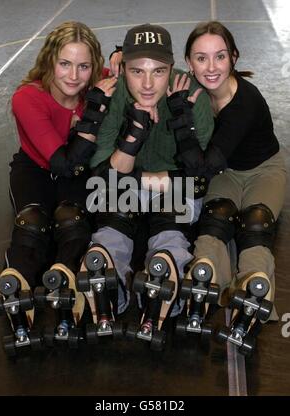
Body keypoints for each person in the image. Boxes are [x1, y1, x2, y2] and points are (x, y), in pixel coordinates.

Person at [75, 23, 214, 350]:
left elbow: (199, 176)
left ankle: (165, 271)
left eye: (159, 71)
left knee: (170, 226)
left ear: (172, 68)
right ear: (122, 68)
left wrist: (143, 178)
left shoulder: (192, 94)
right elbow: (101, 174)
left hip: (173, 189)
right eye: (138, 71)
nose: (148, 84)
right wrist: (133, 139)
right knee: (111, 222)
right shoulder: (112, 92)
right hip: (130, 185)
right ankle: (106, 275)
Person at [0, 21, 117, 353]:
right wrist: (93, 113)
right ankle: (17, 281)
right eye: (65, 64)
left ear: (93, 66)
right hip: (37, 169)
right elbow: (62, 163)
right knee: (33, 224)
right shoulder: (27, 97)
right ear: (50, 62)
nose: (74, 75)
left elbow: (133, 70)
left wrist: (122, 59)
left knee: (71, 221)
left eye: (83, 66)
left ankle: (64, 278)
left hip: (76, 174)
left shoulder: (97, 79)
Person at [173, 21, 286, 355]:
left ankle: (254, 286)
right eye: (201, 58)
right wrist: (118, 61)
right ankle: (204, 276)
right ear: (189, 62)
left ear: (233, 57)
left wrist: (181, 121)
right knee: (216, 219)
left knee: (255, 222)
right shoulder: (191, 87)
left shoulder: (245, 102)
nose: (211, 67)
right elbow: (149, 73)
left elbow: (205, 165)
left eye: (220, 56)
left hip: (263, 169)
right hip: (225, 171)